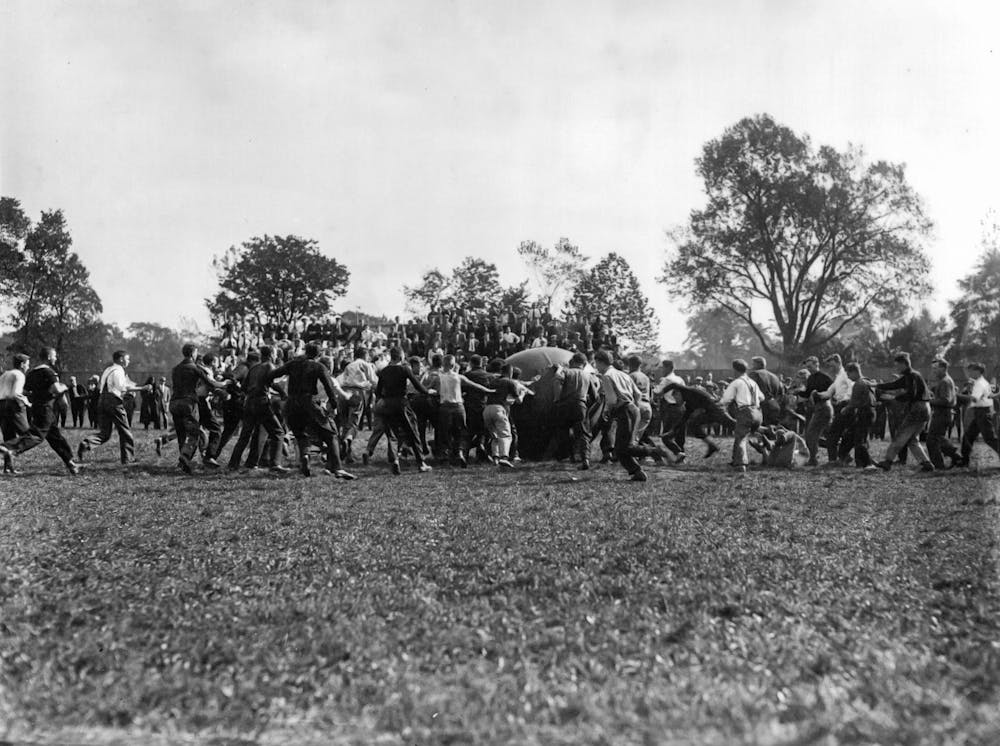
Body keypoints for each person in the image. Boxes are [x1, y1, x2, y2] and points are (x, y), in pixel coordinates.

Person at [267, 344, 355, 479]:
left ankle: (305, 455)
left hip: (291, 404)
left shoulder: (293, 364)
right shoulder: (319, 366)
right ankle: (337, 468)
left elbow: (272, 375)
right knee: (331, 434)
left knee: (300, 434)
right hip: (308, 402)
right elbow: (329, 386)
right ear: (318, 355)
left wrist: (277, 391)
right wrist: (334, 405)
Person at [0, 347, 80, 475]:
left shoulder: (32, 373)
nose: (55, 358)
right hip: (46, 408)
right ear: (48, 357)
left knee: (55, 437)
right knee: (37, 435)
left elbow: (26, 391)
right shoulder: (49, 372)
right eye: (54, 356)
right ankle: (9, 447)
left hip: (36, 408)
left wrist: (37, 395)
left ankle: (70, 462)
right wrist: (68, 386)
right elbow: (57, 389)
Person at [592, 350, 665, 482]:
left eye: (596, 363)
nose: (596, 366)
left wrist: (607, 411)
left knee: (627, 447)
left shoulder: (607, 376)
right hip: (632, 409)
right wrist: (634, 407)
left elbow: (612, 400)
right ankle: (637, 472)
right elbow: (637, 394)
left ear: (600, 362)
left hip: (624, 410)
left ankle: (655, 451)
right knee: (621, 450)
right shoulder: (623, 374)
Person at [77, 351, 150, 467]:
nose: (129, 361)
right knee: (125, 431)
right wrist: (142, 388)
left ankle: (86, 443)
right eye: (127, 359)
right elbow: (122, 387)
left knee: (105, 433)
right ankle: (128, 459)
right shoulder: (119, 371)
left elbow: (103, 386)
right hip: (113, 401)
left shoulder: (108, 370)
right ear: (121, 359)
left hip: (102, 401)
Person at [226, 346, 289, 473]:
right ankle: (275, 464)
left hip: (249, 403)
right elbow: (272, 383)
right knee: (278, 432)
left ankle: (234, 464)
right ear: (271, 354)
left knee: (245, 435)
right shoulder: (269, 366)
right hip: (262, 402)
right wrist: (283, 393)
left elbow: (243, 387)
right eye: (275, 353)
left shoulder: (254, 368)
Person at [372, 346, 434, 475]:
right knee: (413, 431)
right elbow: (417, 385)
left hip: (387, 404)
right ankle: (421, 463)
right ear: (401, 356)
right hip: (402, 403)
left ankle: (395, 460)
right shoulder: (404, 369)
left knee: (393, 435)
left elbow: (378, 391)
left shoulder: (383, 371)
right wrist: (428, 391)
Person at [169, 343, 227, 474]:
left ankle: (184, 464)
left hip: (174, 403)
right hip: (187, 402)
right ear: (193, 353)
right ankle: (185, 457)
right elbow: (211, 383)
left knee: (181, 433)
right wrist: (224, 383)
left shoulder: (175, 369)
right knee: (194, 433)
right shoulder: (194, 368)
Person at [874, 352, 935, 472]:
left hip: (918, 408)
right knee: (912, 439)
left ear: (904, 364)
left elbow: (911, 394)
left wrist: (895, 398)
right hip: (925, 408)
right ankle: (926, 464)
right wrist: (876, 385)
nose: (896, 368)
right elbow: (894, 384)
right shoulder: (912, 375)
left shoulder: (912, 376)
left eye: (897, 365)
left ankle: (887, 462)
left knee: (900, 435)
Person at [434, 354, 494, 467]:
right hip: (459, 407)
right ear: (453, 365)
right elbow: (476, 386)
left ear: (444, 364)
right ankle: (460, 453)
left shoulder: (439, 377)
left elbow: (429, 389)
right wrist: (489, 391)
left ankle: (446, 457)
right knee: (461, 431)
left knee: (445, 432)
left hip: (445, 407)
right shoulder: (459, 377)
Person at [551, 352, 599, 469]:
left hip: (564, 405)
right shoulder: (588, 376)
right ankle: (585, 459)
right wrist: (587, 405)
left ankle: (566, 456)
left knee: (563, 431)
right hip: (580, 405)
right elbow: (595, 396)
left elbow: (557, 381)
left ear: (572, 362)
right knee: (583, 433)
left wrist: (557, 399)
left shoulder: (566, 371)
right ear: (584, 364)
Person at [483, 362, 532, 468]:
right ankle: (504, 457)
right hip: (499, 409)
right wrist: (523, 393)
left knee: (494, 435)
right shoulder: (510, 382)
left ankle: (495, 457)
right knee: (506, 435)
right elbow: (518, 400)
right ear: (510, 372)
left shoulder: (494, 381)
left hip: (487, 409)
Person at [718, 359, 764, 472]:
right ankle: (735, 460)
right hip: (758, 412)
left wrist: (718, 403)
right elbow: (762, 397)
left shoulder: (737, 382)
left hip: (746, 412)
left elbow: (725, 400)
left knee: (740, 438)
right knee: (740, 434)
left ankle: (740, 464)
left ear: (735, 370)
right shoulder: (753, 382)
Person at [956, 361, 1000, 467]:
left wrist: (957, 395)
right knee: (968, 437)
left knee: (990, 439)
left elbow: (975, 399)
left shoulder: (979, 384)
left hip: (982, 413)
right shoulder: (983, 382)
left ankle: (964, 460)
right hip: (981, 412)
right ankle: (964, 460)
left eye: (971, 370)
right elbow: (988, 395)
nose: (969, 373)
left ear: (978, 372)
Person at [338, 347, 376, 463]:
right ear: (365, 355)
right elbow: (374, 381)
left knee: (345, 423)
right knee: (354, 423)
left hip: (344, 393)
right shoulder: (365, 364)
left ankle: (348, 455)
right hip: (357, 392)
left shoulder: (349, 365)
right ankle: (348, 439)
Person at [0, 354, 37, 473]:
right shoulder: (20, 375)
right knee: (27, 434)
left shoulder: (5, 374)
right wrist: (27, 403)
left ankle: (8, 467)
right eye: (27, 364)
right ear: (22, 364)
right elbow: (16, 393)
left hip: (1, 404)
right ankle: (3, 449)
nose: (28, 367)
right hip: (14, 405)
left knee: (9, 436)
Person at [796, 356, 834, 466]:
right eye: (807, 367)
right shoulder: (811, 378)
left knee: (811, 434)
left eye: (810, 366)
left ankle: (813, 459)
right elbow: (807, 394)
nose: (809, 369)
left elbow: (833, 391)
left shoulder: (825, 377)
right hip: (818, 409)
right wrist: (798, 392)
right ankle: (815, 457)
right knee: (821, 435)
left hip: (824, 407)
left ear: (817, 364)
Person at [926, 358, 961, 470]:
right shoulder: (945, 380)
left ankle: (939, 465)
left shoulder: (945, 381)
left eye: (936, 368)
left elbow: (946, 400)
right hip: (944, 414)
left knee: (932, 439)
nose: (934, 371)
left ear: (944, 368)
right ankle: (956, 456)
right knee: (939, 438)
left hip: (942, 414)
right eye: (932, 369)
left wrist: (928, 401)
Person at [842, 362, 877, 469]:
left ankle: (869, 464)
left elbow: (854, 402)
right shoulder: (867, 381)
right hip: (871, 412)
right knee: (861, 438)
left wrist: (845, 409)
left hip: (865, 412)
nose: (848, 376)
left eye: (848, 373)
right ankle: (861, 463)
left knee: (859, 440)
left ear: (854, 372)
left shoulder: (858, 384)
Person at [652, 360, 687, 462]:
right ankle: (682, 456)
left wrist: (654, 386)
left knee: (666, 436)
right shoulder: (680, 379)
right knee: (680, 434)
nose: (661, 370)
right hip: (681, 408)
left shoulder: (666, 380)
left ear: (668, 368)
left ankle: (678, 452)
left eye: (663, 368)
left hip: (671, 408)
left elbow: (657, 392)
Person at [748, 356, 785, 427]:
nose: (752, 366)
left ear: (758, 364)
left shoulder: (754, 374)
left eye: (753, 364)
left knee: (760, 432)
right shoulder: (775, 377)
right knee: (772, 432)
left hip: (761, 407)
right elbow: (781, 393)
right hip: (774, 405)